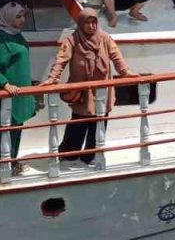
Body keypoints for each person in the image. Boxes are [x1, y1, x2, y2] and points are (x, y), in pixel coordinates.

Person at [41, 8, 132, 164]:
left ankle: (90, 155)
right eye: (87, 23)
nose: (91, 27)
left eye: (93, 22)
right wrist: (52, 78)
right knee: (79, 122)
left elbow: (117, 57)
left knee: (99, 123)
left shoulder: (104, 38)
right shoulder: (73, 40)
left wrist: (126, 73)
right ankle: (69, 154)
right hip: (83, 91)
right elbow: (61, 60)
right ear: (81, 23)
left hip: (102, 90)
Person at [0, 2, 37, 176]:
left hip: (21, 92)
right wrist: (5, 84)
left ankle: (13, 161)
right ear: (8, 18)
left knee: (17, 127)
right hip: (10, 93)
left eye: (24, 16)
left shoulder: (18, 36)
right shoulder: (2, 39)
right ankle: (3, 165)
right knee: (6, 128)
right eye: (18, 16)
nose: (23, 20)